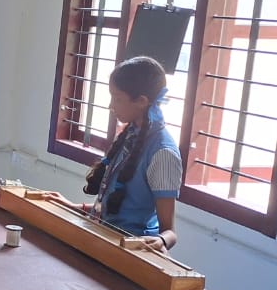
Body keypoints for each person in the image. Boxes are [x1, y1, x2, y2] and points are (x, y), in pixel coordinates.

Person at [43, 56, 182, 250]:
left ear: (141, 101)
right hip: (105, 240)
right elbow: (112, 212)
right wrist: (71, 207)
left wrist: (161, 241)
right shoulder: (131, 135)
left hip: (130, 251)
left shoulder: (163, 153)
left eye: (117, 98)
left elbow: (170, 232)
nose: (111, 106)